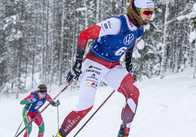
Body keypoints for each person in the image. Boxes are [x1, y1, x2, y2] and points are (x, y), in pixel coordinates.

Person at [55, 0, 154, 137]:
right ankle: (60, 135)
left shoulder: (140, 27)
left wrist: (128, 61)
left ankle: (123, 133)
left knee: (133, 92)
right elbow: (85, 35)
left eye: (152, 12)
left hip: (113, 66)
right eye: (146, 12)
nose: (150, 16)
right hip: (94, 64)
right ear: (136, 11)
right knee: (86, 105)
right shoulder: (117, 23)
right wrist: (77, 65)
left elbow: (131, 40)